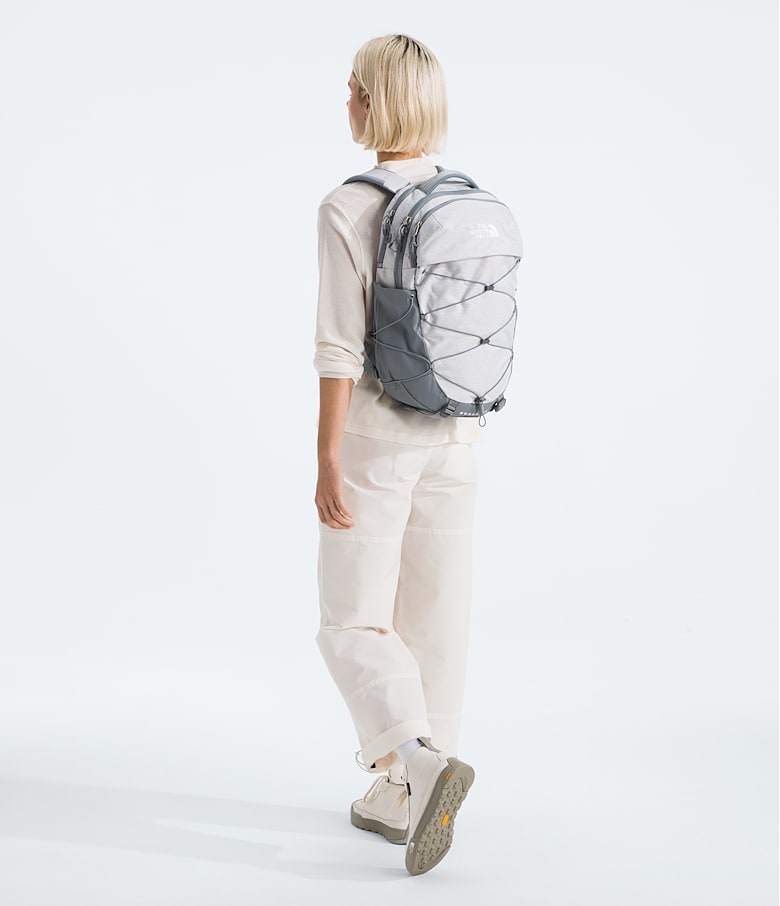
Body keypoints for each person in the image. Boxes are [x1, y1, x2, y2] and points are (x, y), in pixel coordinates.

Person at [313, 34, 483, 877]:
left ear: (375, 103)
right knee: (435, 615)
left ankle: (415, 762)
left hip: (379, 436)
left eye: (353, 89)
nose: (345, 101)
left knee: (352, 618)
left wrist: (327, 455)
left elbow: (339, 347)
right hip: (460, 432)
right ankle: (406, 793)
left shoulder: (349, 206)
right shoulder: (469, 200)